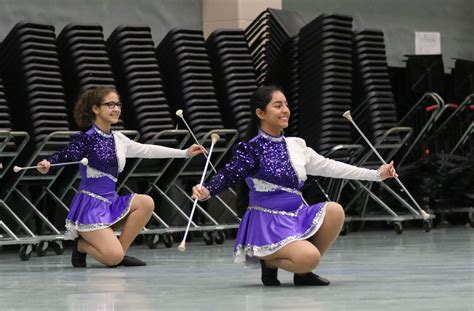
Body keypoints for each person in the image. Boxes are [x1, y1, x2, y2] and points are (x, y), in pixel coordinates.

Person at [192, 85, 398, 286]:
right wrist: (206, 191)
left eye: (286, 105)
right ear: (260, 113)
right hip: (268, 220)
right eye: (278, 105)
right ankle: (270, 261)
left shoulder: (296, 145)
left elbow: (331, 167)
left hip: (295, 214)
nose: (285, 110)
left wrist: (376, 175)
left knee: (335, 210)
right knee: (310, 257)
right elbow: (229, 174)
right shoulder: (250, 149)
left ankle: (303, 272)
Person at [37, 86, 204, 268]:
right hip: (91, 208)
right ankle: (82, 246)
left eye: (117, 104)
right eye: (110, 104)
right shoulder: (86, 138)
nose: (116, 109)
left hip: (110, 203)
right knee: (112, 257)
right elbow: (65, 155)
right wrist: (48, 163)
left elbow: (147, 150)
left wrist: (184, 153)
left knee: (145, 202)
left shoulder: (119, 139)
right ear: (95, 109)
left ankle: (119, 254)